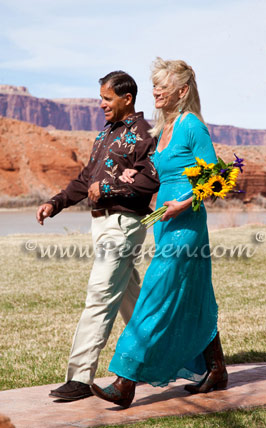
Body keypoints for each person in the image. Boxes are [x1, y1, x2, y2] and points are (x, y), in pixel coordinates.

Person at [91, 58, 228, 408]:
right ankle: (216, 368)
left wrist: (183, 204)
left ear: (181, 90)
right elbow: (159, 175)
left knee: (154, 292)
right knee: (193, 296)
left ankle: (126, 380)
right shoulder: (164, 128)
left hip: (186, 226)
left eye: (162, 85)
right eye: (154, 84)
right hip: (164, 224)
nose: (155, 90)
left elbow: (216, 180)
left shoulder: (192, 125)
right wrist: (132, 181)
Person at [36, 71, 159, 401]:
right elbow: (84, 179)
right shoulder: (105, 133)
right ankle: (161, 360)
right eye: (100, 97)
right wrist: (55, 202)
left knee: (101, 293)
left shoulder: (146, 132)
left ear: (126, 99)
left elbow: (151, 180)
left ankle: (80, 377)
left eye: (107, 98)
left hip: (123, 224)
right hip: (100, 224)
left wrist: (107, 187)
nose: (100, 103)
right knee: (132, 301)